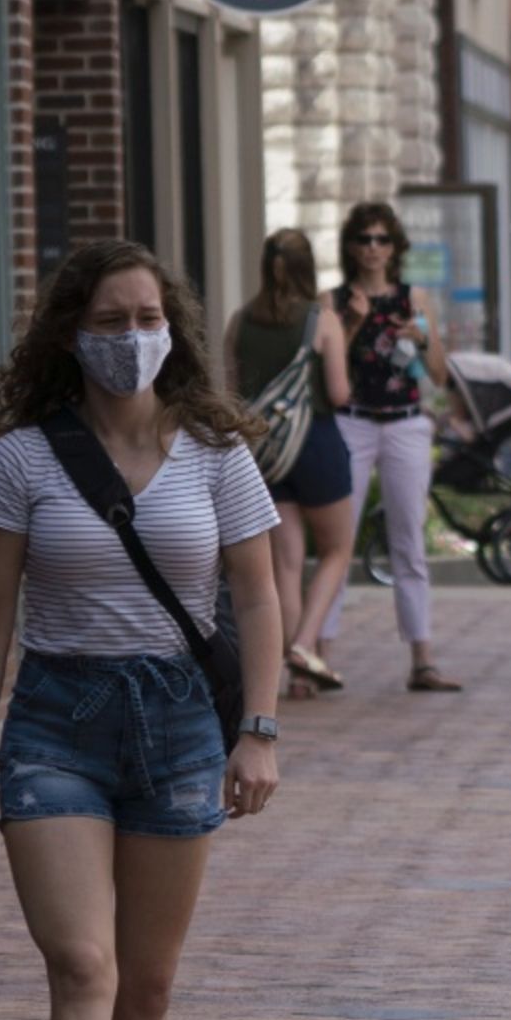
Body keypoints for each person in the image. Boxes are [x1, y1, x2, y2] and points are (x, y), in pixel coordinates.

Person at [0, 238, 289, 1020]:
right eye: (108, 320)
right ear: (70, 333)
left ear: (173, 331)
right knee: (81, 966)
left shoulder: (217, 453)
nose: (130, 338)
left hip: (179, 722)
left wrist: (259, 729)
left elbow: (258, 596)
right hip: (57, 721)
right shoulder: (25, 458)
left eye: (146, 319)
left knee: (146, 984)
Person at [331, 199, 465, 691]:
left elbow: (440, 376)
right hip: (352, 423)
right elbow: (324, 370)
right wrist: (352, 324)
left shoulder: (414, 299)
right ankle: (317, 656)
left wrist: (423, 338)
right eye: (364, 239)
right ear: (351, 247)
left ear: (395, 247)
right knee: (338, 540)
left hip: (405, 423)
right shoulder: (335, 301)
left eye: (382, 239)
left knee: (408, 539)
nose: (373, 248)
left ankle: (422, 660)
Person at [225, 228, 356, 696]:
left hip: (265, 453)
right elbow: (338, 393)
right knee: (337, 551)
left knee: (286, 565)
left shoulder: (240, 321)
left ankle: (298, 675)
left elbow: (231, 394)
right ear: (307, 268)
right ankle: (303, 647)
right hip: (317, 445)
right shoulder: (322, 320)